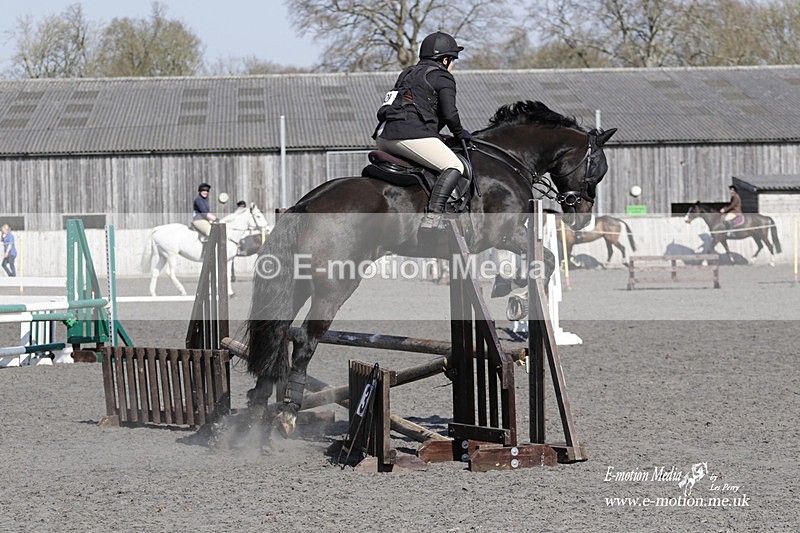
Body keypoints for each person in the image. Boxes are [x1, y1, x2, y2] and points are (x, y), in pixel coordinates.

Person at [373, 31, 470, 231]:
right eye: (453, 60)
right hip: (407, 135)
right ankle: (433, 217)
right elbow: (450, 114)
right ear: (445, 60)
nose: (453, 65)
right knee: (454, 165)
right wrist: (461, 134)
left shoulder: (407, 73)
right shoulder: (442, 76)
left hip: (383, 135)